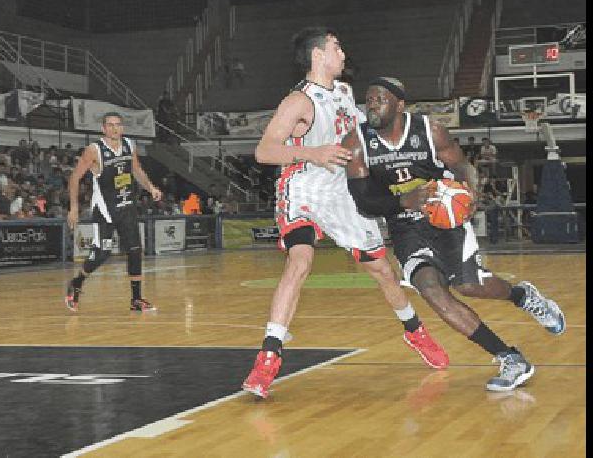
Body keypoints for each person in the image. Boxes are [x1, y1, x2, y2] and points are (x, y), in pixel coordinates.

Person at [242, 28, 447, 399]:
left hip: (341, 192)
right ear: (318, 55)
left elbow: (363, 134)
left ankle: (415, 331)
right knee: (299, 261)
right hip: (303, 186)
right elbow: (264, 151)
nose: (343, 52)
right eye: (337, 46)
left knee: (383, 270)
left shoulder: (344, 93)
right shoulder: (297, 102)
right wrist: (313, 152)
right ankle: (269, 356)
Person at [342, 77, 565, 391]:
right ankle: (509, 357)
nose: (373, 104)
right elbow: (364, 202)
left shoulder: (430, 132)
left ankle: (523, 296)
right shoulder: (356, 144)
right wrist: (401, 201)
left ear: (399, 104)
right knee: (432, 291)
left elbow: (464, 169)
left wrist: (470, 197)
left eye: (380, 98)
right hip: (404, 227)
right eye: (369, 98)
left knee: (470, 286)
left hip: (444, 218)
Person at [63, 112, 163, 312]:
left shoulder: (129, 145)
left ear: (122, 128)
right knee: (102, 253)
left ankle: (136, 299)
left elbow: (136, 170)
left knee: (135, 251)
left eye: (118, 125)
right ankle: (77, 282)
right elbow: (74, 178)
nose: (114, 128)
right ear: (103, 128)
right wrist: (74, 208)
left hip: (126, 206)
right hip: (105, 210)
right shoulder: (94, 150)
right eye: (110, 125)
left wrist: (150, 187)